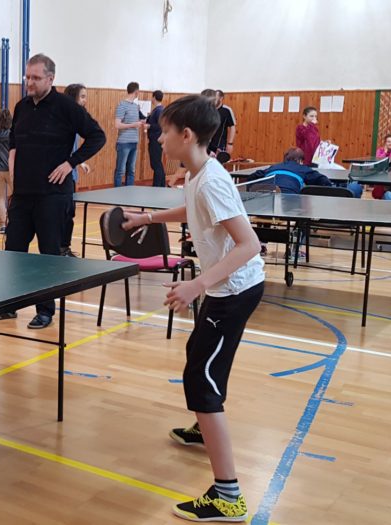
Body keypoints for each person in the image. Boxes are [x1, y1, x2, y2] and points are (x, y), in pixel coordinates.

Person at [121, 94, 264, 523]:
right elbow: (194, 210)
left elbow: (249, 244)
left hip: (233, 291)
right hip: (226, 290)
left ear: (186, 135)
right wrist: (147, 219)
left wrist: (196, 285)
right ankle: (205, 429)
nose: (158, 138)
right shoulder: (198, 173)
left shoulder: (212, 180)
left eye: (164, 131)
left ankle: (228, 496)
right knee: (200, 359)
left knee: (201, 380)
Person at [0, 54, 105, 329]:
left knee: (48, 254)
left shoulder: (67, 107)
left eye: (36, 78)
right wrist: (14, 174)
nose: (30, 82)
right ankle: (8, 306)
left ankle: (45, 311)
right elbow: (14, 143)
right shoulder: (21, 107)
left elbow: (97, 136)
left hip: (53, 195)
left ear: (50, 79)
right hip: (23, 195)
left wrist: (71, 163)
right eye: (27, 77)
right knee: (13, 251)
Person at [62, 83, 93, 256]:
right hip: (62, 176)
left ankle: (64, 248)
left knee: (70, 214)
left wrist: (81, 162)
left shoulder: (77, 119)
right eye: (82, 96)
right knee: (64, 214)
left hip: (72, 174)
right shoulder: (64, 119)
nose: (85, 100)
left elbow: (73, 148)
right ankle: (60, 249)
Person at [113, 81, 142, 187]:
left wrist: (140, 122)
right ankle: (117, 193)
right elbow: (117, 125)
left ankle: (129, 193)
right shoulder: (122, 105)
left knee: (131, 171)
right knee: (120, 171)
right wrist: (134, 124)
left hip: (134, 142)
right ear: (136, 92)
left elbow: (135, 122)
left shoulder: (135, 106)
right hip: (124, 143)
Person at [145, 90, 167, 186]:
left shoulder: (159, 110)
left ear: (154, 97)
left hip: (156, 140)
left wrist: (149, 126)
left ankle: (157, 185)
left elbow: (161, 125)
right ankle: (160, 185)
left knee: (156, 164)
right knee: (156, 163)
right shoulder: (157, 110)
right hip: (155, 140)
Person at [211, 89, 237, 157]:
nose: (213, 100)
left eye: (215, 98)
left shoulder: (227, 110)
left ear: (221, 98)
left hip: (220, 144)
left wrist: (230, 143)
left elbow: (232, 127)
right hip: (207, 144)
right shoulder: (208, 109)